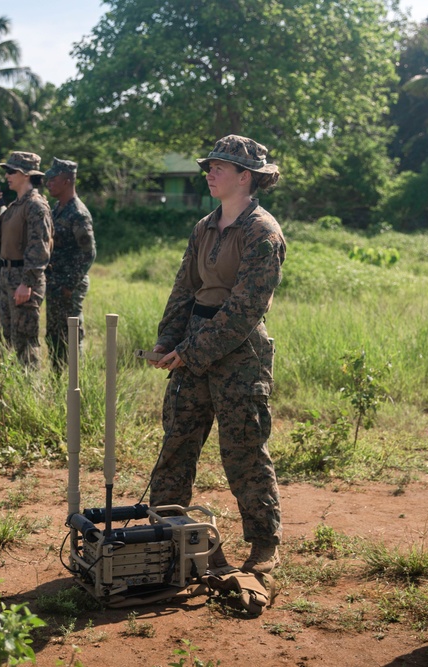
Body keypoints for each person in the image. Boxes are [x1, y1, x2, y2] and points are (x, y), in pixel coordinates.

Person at [148, 135, 286, 575]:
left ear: (246, 177)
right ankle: (165, 529)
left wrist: (191, 352)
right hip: (194, 342)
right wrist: (168, 342)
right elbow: (184, 289)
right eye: (208, 166)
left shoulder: (263, 231)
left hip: (239, 353)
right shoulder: (205, 225)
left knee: (243, 448)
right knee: (178, 441)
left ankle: (264, 543)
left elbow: (246, 308)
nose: (209, 173)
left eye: (219, 167)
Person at [0, 151, 53, 367]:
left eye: (11, 171)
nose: (7, 175)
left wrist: (27, 283)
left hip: (23, 280)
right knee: (10, 339)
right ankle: (16, 391)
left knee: (25, 342)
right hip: (8, 276)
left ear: (26, 174)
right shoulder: (15, 206)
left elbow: (39, 248)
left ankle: (32, 393)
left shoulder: (35, 206)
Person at [43, 158, 96, 370]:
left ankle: (74, 381)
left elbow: (88, 253)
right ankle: (57, 378)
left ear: (66, 181)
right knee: (54, 335)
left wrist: (69, 285)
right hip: (55, 284)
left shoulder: (78, 213)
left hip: (68, 287)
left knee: (71, 335)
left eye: (53, 179)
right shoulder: (57, 209)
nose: (49, 184)